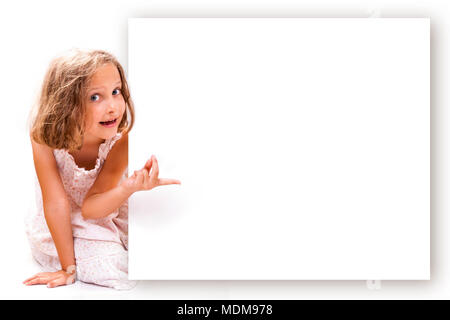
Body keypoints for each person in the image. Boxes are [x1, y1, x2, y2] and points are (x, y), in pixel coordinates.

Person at [23, 48, 181, 290]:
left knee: (134, 256)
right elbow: (55, 203)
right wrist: (68, 269)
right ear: (66, 104)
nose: (113, 107)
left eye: (116, 92)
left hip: (103, 212)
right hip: (59, 222)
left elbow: (92, 208)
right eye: (95, 97)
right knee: (112, 266)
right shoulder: (43, 136)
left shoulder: (120, 140)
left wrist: (128, 187)